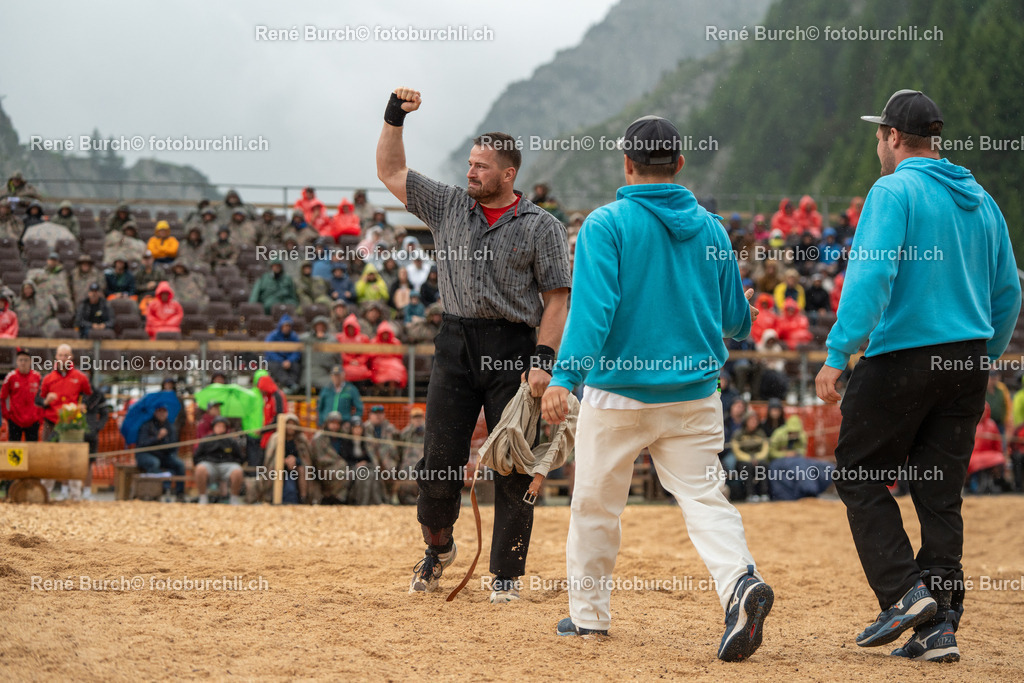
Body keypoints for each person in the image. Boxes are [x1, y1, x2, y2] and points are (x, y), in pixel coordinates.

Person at [540, 114, 771, 660]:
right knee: (705, 499)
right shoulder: (713, 229)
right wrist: (747, 317)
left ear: (627, 164)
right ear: (680, 165)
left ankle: (590, 617)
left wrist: (565, 377)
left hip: (617, 394)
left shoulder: (606, 224)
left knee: (596, 506)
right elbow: (734, 316)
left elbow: (593, 312)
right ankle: (739, 582)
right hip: (695, 394)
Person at [815, 90, 1021, 661]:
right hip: (967, 362)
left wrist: (838, 353)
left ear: (894, 138)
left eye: (879, 134)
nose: (877, 144)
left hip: (903, 356)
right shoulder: (982, 201)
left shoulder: (894, 189)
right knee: (939, 493)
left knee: (858, 472)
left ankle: (905, 594)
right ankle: (941, 626)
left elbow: (872, 274)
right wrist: (983, 354)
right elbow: (1008, 292)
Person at [377, 87, 570, 600]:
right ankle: (438, 547)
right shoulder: (447, 206)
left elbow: (556, 300)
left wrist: (543, 362)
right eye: (469, 163)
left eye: (482, 166)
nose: (470, 172)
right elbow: (391, 173)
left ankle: (505, 575)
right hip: (455, 342)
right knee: (437, 462)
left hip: (513, 348)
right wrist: (394, 116)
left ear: (509, 175)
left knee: (513, 461)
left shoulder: (542, 227)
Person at [136, 405, 185, 501]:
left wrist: (166, 442)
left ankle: (180, 493)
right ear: (155, 412)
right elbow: (142, 444)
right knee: (154, 462)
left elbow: (174, 445)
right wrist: (157, 438)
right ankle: (159, 490)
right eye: (160, 411)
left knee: (179, 464)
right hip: (145, 454)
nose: (162, 414)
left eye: (164, 411)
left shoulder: (170, 427)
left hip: (163, 455)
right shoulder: (147, 425)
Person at [193, 417, 244, 505]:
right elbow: (196, 457)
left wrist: (231, 461)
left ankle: (234, 498)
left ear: (225, 428)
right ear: (213, 427)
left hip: (227, 465)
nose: (220, 428)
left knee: (238, 471)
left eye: (222, 426)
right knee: (200, 469)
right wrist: (207, 460)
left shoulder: (231, 441)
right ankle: (203, 497)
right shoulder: (206, 440)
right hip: (210, 465)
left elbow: (240, 457)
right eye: (218, 426)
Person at [1, 348, 43, 442]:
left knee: (33, 451)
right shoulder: (11, 377)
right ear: (16, 361)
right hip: (15, 420)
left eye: (26, 360)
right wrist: (6, 415)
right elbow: (2, 397)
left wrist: (39, 417)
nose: (23, 363)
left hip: (33, 421)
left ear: (31, 361)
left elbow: (42, 398)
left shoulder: (37, 377)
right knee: (13, 451)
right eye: (21, 360)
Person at [731, 411, 770, 501]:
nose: (753, 423)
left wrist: (757, 457)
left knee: (763, 465)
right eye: (751, 420)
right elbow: (736, 451)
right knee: (747, 467)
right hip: (743, 460)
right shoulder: (738, 434)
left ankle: (764, 493)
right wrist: (749, 459)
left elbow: (765, 449)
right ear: (746, 421)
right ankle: (750, 494)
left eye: (755, 421)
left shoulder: (760, 433)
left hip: (758, 459)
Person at [395, 406, 426, 505]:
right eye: (415, 417)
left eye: (419, 417)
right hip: (407, 465)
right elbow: (399, 450)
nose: (417, 419)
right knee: (404, 478)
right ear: (411, 419)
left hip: (422, 463)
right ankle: (407, 499)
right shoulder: (406, 433)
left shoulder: (428, 432)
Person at [265, 314, 302, 393]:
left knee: (296, 366)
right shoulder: (273, 336)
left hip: (289, 361)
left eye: (288, 326)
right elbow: (269, 351)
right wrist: (281, 361)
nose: (287, 328)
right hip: (276, 360)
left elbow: (297, 351)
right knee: (274, 366)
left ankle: (290, 389)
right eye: (285, 326)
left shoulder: (294, 336)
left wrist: (289, 360)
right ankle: (291, 385)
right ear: (281, 326)